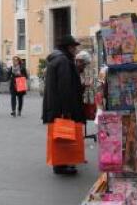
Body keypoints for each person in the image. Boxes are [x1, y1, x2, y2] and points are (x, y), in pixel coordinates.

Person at [42, 35, 86, 175]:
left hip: (55, 105)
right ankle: (61, 165)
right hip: (62, 107)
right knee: (63, 136)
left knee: (59, 136)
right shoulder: (63, 61)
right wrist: (66, 110)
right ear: (69, 47)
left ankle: (61, 163)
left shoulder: (57, 59)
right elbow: (64, 86)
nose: (75, 50)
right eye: (74, 47)